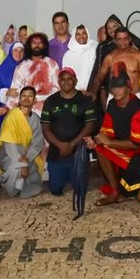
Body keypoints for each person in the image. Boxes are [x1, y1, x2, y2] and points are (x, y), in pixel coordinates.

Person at [88, 65, 140, 206]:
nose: (116, 90)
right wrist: (95, 140)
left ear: (128, 86)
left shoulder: (139, 111)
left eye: (120, 86)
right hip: (130, 150)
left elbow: (136, 144)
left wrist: (109, 142)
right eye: (114, 87)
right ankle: (115, 192)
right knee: (100, 149)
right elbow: (107, 133)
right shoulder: (112, 104)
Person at [41, 67, 98, 196]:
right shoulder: (51, 101)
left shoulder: (85, 100)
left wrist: (72, 144)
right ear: (58, 82)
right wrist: (60, 145)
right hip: (57, 152)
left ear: (75, 81)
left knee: (80, 190)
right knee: (55, 190)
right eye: (62, 79)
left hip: (78, 152)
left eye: (69, 79)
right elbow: (45, 128)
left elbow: (90, 126)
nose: (66, 82)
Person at [0, 87, 46, 198]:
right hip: (7, 154)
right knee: (15, 168)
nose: (26, 98)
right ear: (19, 99)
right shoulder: (12, 116)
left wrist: (27, 158)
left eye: (30, 96)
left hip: (26, 155)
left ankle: (20, 187)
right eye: (24, 96)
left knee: (33, 177)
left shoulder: (36, 119)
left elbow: (37, 143)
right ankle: (10, 189)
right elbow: (9, 143)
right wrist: (22, 162)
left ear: (35, 100)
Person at [89, 27, 140, 103]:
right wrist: (94, 92)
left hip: (134, 97)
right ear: (115, 41)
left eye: (125, 38)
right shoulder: (110, 57)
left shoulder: (139, 56)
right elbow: (99, 76)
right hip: (114, 98)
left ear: (130, 39)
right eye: (119, 39)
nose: (123, 42)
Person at [12, 33, 61, 113]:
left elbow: (58, 88)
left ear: (44, 45)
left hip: (48, 108)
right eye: (34, 43)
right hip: (27, 109)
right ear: (29, 45)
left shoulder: (52, 64)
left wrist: (45, 101)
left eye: (40, 42)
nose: (37, 45)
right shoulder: (21, 66)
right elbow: (16, 91)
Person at [61, 26, 97, 94]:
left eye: (83, 33)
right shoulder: (68, 55)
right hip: (75, 92)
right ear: (74, 36)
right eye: (78, 34)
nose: (81, 36)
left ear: (87, 35)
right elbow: (67, 75)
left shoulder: (94, 49)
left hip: (92, 92)